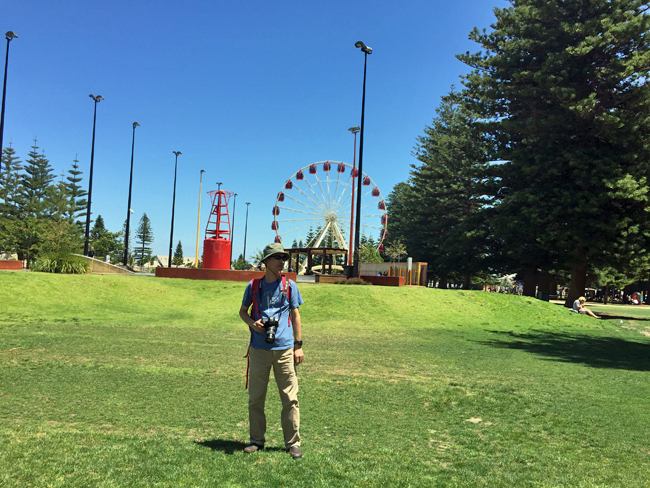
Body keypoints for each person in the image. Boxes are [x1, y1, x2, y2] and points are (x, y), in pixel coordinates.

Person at [239, 242, 304, 459]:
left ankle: (293, 443)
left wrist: (298, 346)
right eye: (277, 257)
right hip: (258, 349)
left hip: (284, 350)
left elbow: (295, 316)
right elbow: (242, 312)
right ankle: (256, 440)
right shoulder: (253, 286)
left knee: (290, 398)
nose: (281, 261)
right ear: (266, 261)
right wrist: (252, 323)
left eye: (283, 257)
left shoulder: (289, 285)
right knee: (256, 398)